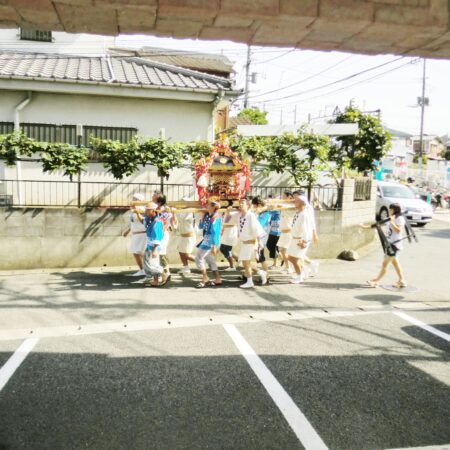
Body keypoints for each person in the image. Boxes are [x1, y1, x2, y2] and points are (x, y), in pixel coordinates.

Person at [361, 203, 407, 288]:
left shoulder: (399, 218)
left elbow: (398, 230)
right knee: (395, 263)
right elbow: (378, 224)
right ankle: (402, 280)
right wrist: (364, 227)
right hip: (390, 244)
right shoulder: (390, 218)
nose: (389, 211)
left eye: (390, 209)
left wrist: (392, 221)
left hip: (395, 245)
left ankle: (376, 281)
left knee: (385, 263)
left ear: (394, 210)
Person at [226, 197, 267, 289]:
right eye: (239, 203)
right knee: (245, 263)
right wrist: (228, 211)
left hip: (250, 242)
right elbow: (227, 221)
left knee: (246, 263)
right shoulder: (238, 215)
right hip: (244, 242)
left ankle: (250, 282)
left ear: (248, 206)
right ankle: (261, 272)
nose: (240, 205)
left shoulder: (251, 216)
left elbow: (257, 229)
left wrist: (259, 242)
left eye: (242, 203)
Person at [136, 202, 168, 287]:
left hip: (154, 246)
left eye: (147, 210)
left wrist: (154, 250)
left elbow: (157, 237)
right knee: (154, 263)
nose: (145, 211)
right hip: (151, 244)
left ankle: (163, 273)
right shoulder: (150, 219)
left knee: (148, 264)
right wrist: (138, 213)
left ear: (153, 211)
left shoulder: (157, 222)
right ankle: (156, 281)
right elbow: (142, 221)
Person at [287, 195, 314, 284]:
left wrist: (304, 241)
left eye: (297, 201)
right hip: (294, 238)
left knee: (294, 259)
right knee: (290, 258)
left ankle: (299, 276)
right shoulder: (298, 212)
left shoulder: (304, 214)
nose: (295, 202)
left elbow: (306, 229)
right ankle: (304, 271)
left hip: (300, 240)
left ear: (302, 203)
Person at [195, 201, 222, 288]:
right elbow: (201, 226)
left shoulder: (216, 217)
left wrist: (214, 246)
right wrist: (202, 216)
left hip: (211, 239)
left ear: (213, 206)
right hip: (206, 238)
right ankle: (217, 278)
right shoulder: (207, 215)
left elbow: (216, 232)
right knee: (209, 259)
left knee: (199, 257)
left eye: (208, 204)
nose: (206, 205)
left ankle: (205, 278)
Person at [122, 193, 147, 276]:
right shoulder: (133, 209)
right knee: (135, 252)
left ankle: (147, 270)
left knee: (141, 252)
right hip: (135, 234)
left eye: (134, 199)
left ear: (139, 201)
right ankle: (142, 269)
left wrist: (137, 211)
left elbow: (143, 220)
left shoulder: (142, 209)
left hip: (142, 234)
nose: (132, 200)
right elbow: (132, 222)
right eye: (133, 198)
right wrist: (128, 231)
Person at [152, 192, 173, 283]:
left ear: (159, 201)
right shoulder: (156, 208)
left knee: (160, 253)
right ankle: (164, 273)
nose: (152, 197)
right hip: (158, 234)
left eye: (154, 196)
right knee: (158, 254)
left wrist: (162, 232)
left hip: (162, 234)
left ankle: (166, 272)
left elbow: (166, 222)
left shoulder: (165, 210)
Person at [173, 197, 196, 275]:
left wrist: (174, 211)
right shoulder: (183, 210)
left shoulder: (189, 210)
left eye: (182, 202)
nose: (180, 203)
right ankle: (186, 268)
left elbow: (181, 218)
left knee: (187, 254)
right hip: (183, 235)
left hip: (189, 236)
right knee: (181, 252)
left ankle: (201, 261)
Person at [252, 196, 271, 279]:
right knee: (259, 257)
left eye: (254, 205)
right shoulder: (262, 213)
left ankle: (267, 275)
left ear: (259, 205)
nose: (253, 207)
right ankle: (245, 275)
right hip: (259, 237)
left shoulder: (265, 214)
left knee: (261, 257)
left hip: (261, 238)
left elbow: (259, 225)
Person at [277, 191, 295, 274]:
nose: (282, 197)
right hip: (283, 232)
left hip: (288, 232)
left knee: (287, 251)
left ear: (289, 197)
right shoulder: (284, 205)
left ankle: (291, 267)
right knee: (281, 250)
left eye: (284, 196)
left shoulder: (292, 205)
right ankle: (288, 266)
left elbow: (280, 205)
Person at [220, 206, 238, 271]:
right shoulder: (226, 211)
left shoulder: (234, 211)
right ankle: (239, 259)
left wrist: (228, 211)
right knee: (222, 249)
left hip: (231, 231)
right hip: (226, 232)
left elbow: (227, 220)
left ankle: (232, 266)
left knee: (226, 249)